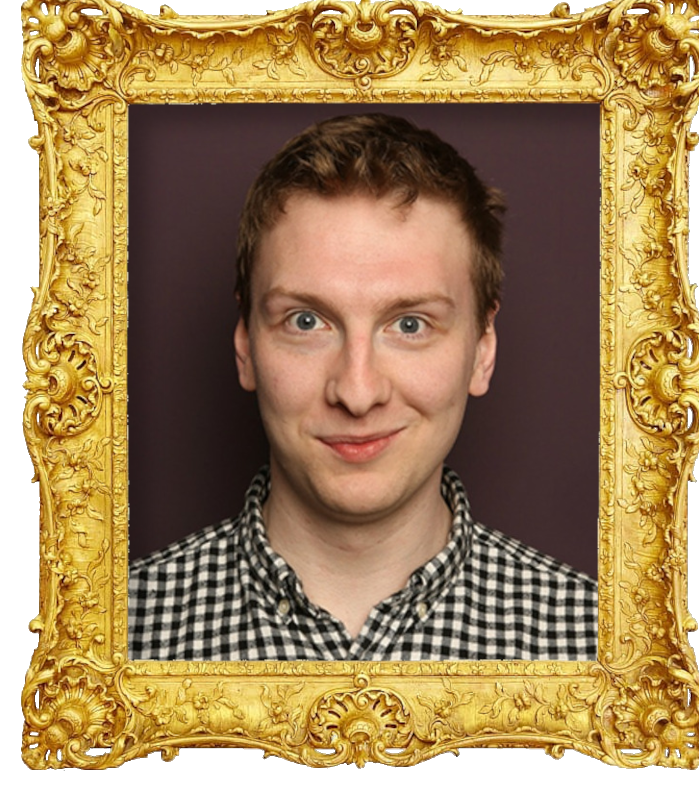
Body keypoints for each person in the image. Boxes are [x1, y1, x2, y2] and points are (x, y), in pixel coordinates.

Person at [128, 114, 598, 662]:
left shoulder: (600, 649)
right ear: (245, 346)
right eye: (306, 321)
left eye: (410, 325)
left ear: (483, 350)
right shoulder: (112, 639)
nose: (357, 392)